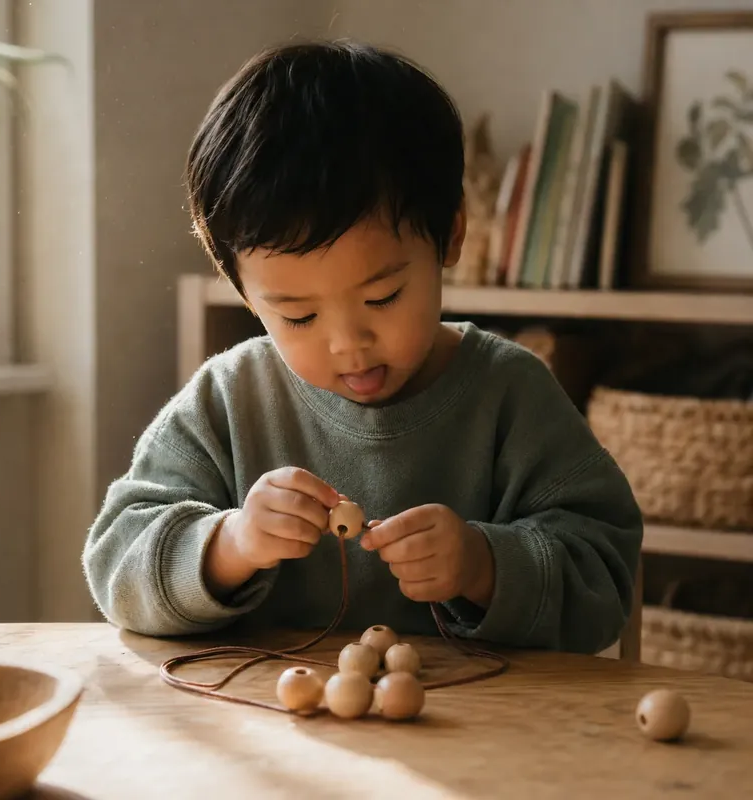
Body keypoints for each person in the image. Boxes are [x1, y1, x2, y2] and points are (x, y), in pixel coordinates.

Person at [82, 39, 643, 653]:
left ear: (450, 236)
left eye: (382, 299)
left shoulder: (511, 393)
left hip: (484, 736)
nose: (348, 344)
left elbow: (605, 577)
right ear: (244, 293)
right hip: (268, 728)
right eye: (297, 315)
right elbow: (117, 564)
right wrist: (231, 544)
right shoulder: (229, 400)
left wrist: (484, 565)